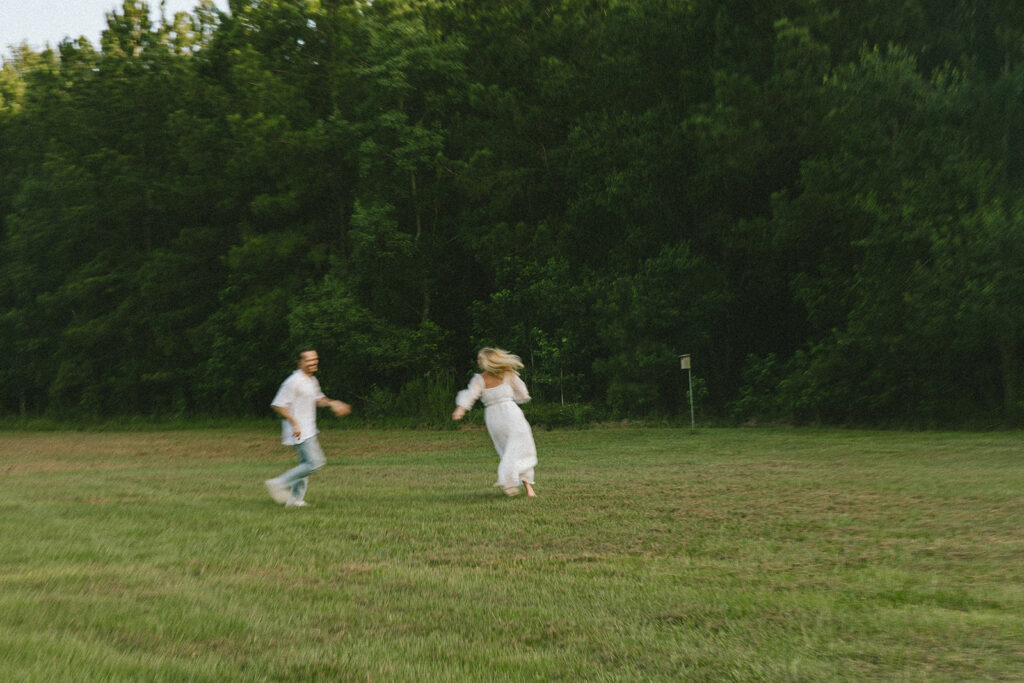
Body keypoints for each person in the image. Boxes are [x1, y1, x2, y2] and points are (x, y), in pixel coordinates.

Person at [266, 348, 350, 507]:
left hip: (309, 428)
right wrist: (294, 423)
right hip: (298, 431)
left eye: (315, 359)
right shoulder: (293, 381)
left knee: (305, 464)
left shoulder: (312, 380)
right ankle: (278, 483)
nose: (313, 362)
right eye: (309, 360)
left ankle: (295, 500)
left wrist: (333, 403)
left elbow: (318, 398)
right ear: (300, 362)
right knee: (315, 463)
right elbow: (278, 405)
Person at [452, 347, 538, 498]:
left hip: (495, 417)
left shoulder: (480, 379)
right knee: (517, 449)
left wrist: (461, 410)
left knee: (511, 450)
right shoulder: (505, 375)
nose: (478, 361)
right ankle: (510, 481)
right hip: (510, 414)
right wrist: (516, 398)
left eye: (480, 359)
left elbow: (470, 396)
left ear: (487, 361)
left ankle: (522, 487)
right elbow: (523, 395)